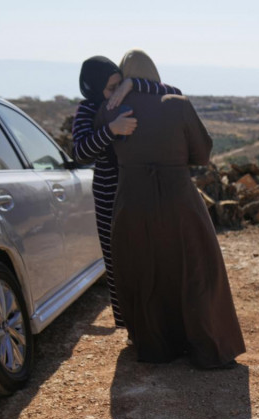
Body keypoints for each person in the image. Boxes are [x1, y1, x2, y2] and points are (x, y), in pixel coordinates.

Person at [100, 50, 245, 369]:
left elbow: (105, 154)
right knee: (195, 270)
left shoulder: (111, 110)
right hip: (179, 200)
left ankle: (157, 348)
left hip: (131, 203)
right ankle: (208, 350)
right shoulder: (177, 104)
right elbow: (203, 153)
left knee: (145, 272)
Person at [72, 56, 181, 330]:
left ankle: (163, 323)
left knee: (152, 254)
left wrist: (132, 83)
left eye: (119, 83)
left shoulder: (130, 96)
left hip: (142, 191)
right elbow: (80, 152)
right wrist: (110, 130)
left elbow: (175, 95)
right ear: (94, 89)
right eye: (111, 87)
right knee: (116, 259)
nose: (116, 91)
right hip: (109, 195)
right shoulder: (87, 110)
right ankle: (130, 327)